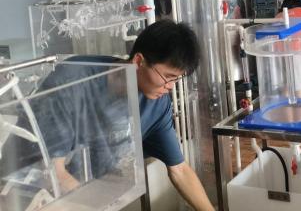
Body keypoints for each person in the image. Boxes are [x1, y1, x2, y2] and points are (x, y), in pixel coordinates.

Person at [1, 21, 215, 211]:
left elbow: (179, 170)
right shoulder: (71, 82)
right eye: (168, 77)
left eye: (176, 80)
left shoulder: (156, 103)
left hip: (82, 194)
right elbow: (52, 173)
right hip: (26, 192)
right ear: (139, 61)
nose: (170, 87)